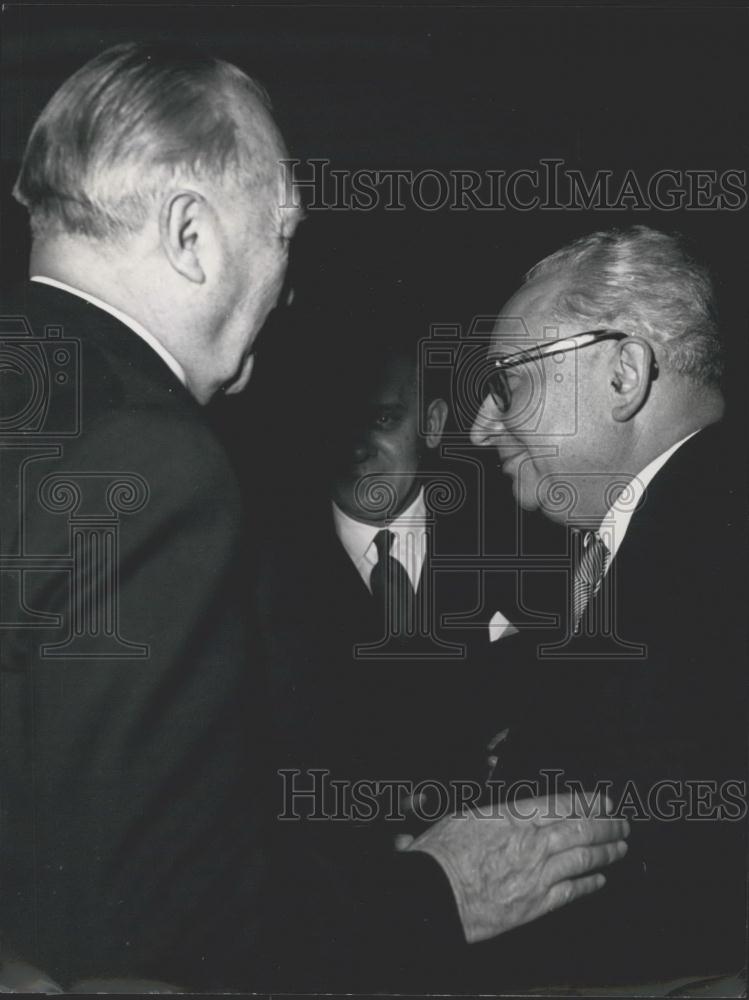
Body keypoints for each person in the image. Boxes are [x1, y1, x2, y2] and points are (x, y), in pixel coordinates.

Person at [0, 41, 300, 989]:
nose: (290, 287)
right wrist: (428, 892)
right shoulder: (155, 460)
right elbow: (139, 931)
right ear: (191, 236)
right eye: (284, 231)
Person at [255, 302, 631, 991]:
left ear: (429, 424)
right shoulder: (256, 568)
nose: (358, 446)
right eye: (338, 423)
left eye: (382, 419)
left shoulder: (527, 529)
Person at [469, 225, 747, 986]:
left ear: (623, 373)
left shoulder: (713, 548)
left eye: (508, 381)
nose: (480, 426)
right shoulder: (666, 538)